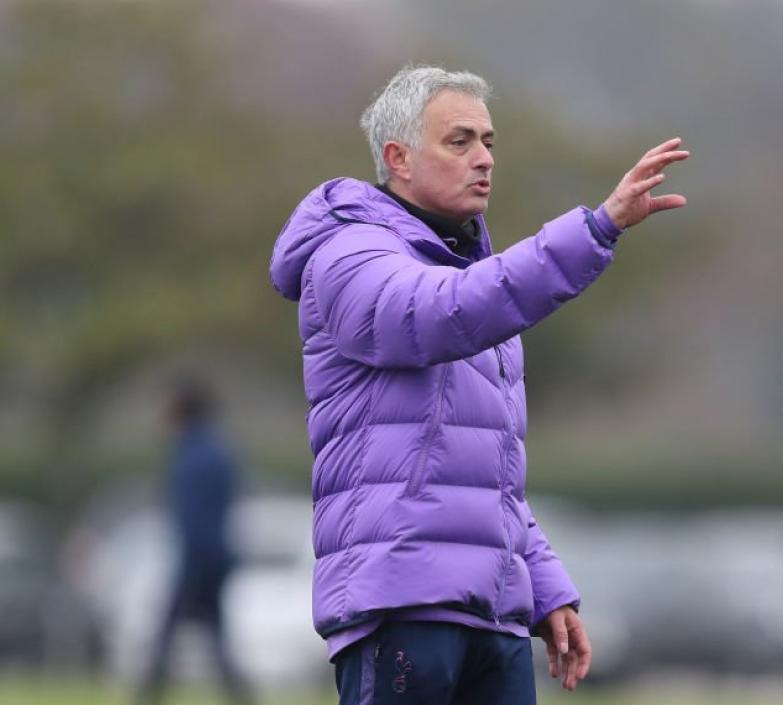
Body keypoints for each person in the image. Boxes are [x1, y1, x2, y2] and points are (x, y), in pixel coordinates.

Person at [268, 66, 688, 705]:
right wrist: (595, 229)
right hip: (402, 605)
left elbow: (489, 472)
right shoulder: (347, 253)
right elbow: (436, 313)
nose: (484, 159)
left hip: (492, 616)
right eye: (459, 141)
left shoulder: (473, 279)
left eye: (488, 141)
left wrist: (544, 587)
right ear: (397, 158)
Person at [138, 379, 252, 705]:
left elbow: (193, 519)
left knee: (166, 637)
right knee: (216, 639)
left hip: (197, 560)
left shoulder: (191, 456)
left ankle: (146, 696)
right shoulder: (219, 449)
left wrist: (193, 564)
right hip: (215, 557)